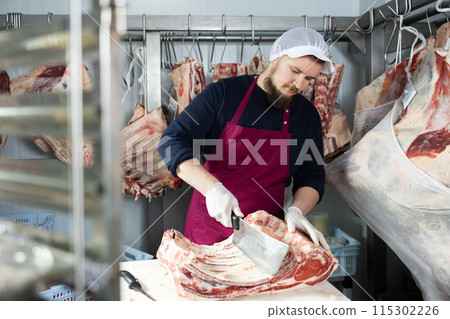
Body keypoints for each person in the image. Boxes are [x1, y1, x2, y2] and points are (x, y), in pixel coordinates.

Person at [158, 27, 332, 250]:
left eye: (308, 78)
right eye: (295, 71)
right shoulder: (224, 94)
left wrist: (297, 210)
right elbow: (172, 141)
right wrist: (212, 189)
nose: (299, 85)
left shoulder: (306, 116)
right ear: (276, 56)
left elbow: (312, 175)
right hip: (209, 233)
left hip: (267, 237)